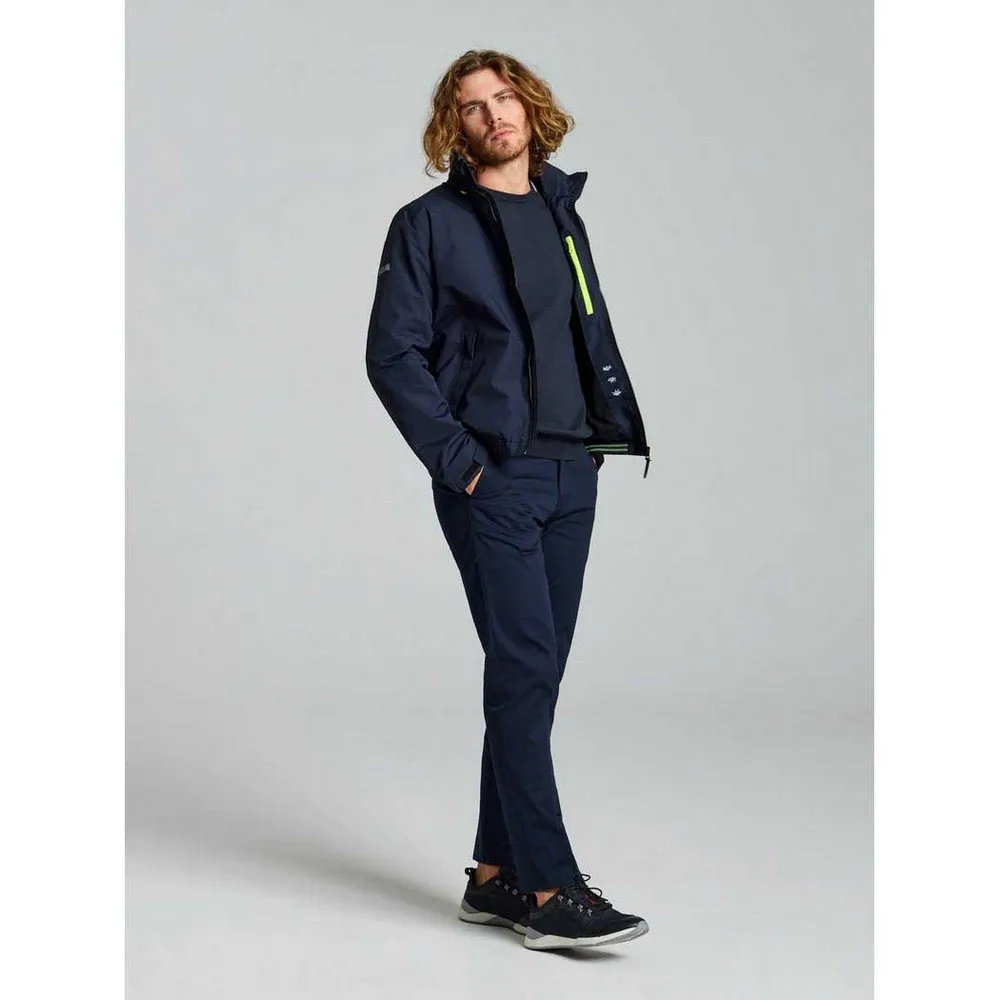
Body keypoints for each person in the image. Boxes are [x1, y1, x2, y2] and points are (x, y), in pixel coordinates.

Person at [365, 49, 651, 950]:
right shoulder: (428, 225)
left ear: (530, 107)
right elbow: (391, 355)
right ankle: (552, 891)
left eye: (504, 97)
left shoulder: (563, 212)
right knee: (525, 673)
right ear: (454, 127)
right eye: (472, 105)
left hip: (573, 474)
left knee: (534, 679)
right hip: (495, 481)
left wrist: (598, 445)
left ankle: (494, 877)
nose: (493, 114)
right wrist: (466, 467)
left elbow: (580, 335)